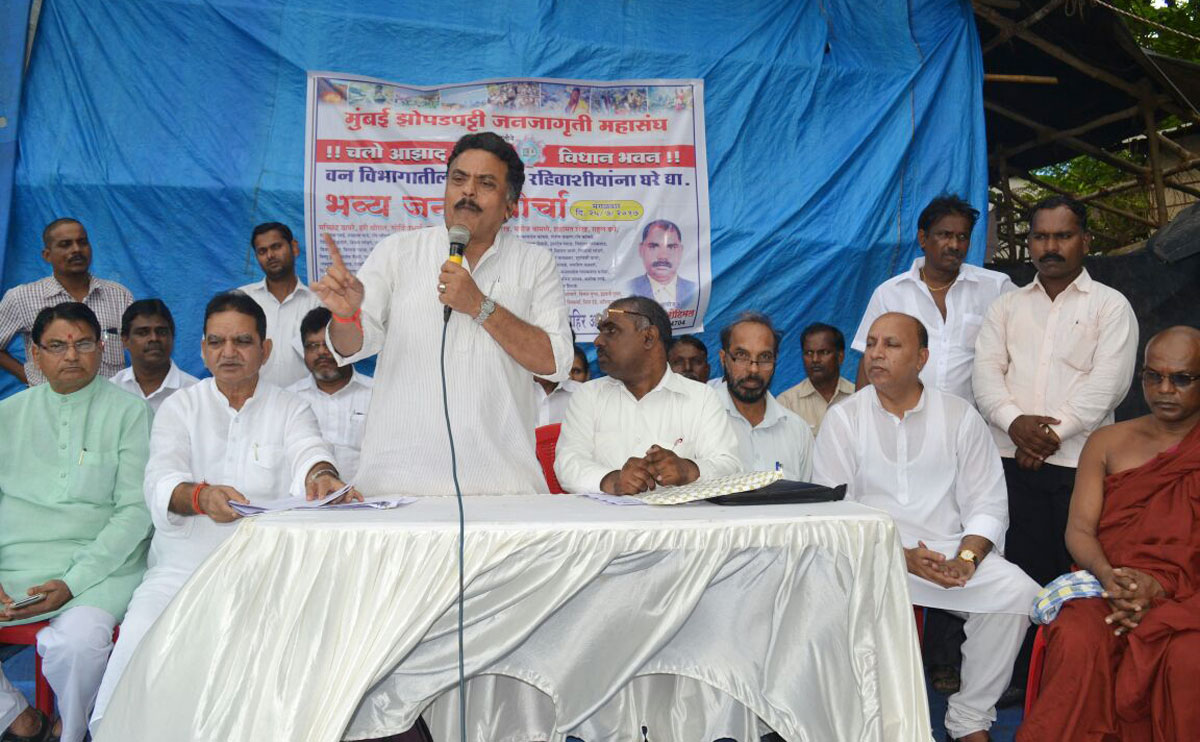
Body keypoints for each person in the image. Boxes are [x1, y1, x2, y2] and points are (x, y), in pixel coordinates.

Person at [90, 292, 355, 730]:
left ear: (265, 350)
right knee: (137, 646)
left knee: (282, 660)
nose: (228, 353)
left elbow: (310, 450)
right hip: (181, 566)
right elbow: (160, 480)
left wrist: (322, 474)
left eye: (242, 342)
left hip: (264, 568)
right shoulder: (180, 407)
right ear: (202, 349)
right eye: (216, 342)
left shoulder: (291, 407)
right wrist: (200, 497)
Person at [813, 313, 1039, 742]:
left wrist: (967, 560)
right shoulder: (844, 418)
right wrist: (899, 558)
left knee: (1018, 593)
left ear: (922, 358)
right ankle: (874, 722)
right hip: (871, 556)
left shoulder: (960, 416)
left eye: (891, 345)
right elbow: (833, 512)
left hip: (948, 552)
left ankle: (969, 718)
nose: (876, 353)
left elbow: (988, 501)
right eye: (873, 343)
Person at [312, 131, 574, 497]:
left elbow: (556, 362)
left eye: (485, 183)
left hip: (502, 488)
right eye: (458, 179)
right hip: (398, 485)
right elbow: (352, 346)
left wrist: (480, 306)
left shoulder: (536, 264)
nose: (468, 192)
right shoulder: (398, 252)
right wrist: (344, 317)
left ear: (511, 205)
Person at [1017, 326, 1200, 742]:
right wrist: (1108, 576)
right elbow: (1079, 530)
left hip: (1191, 598)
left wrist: (1160, 590)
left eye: (1182, 378)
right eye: (1154, 376)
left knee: (1189, 657)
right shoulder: (1107, 441)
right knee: (1078, 636)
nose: (1165, 389)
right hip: (1111, 586)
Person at [0, 303, 151, 742]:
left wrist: (72, 581)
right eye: (57, 345)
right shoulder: (7, 415)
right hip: (16, 568)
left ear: (102, 349)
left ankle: (72, 726)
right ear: (34, 354)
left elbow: (135, 513)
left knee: (77, 645)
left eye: (83, 343)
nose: (71, 355)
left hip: (101, 570)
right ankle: (21, 720)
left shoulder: (131, 413)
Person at [973, 195, 1138, 587]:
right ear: (1029, 243)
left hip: (1080, 465)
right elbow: (985, 374)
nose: (1050, 247)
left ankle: (1068, 649)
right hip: (1008, 463)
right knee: (1014, 578)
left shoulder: (1110, 306)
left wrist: (1049, 436)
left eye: (1062, 235)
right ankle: (1025, 652)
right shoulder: (1005, 306)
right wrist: (1015, 425)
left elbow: (1108, 385)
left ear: (1086, 240)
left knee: (1075, 578)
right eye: (1040, 237)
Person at [554, 297, 740, 495]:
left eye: (611, 330)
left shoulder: (701, 398)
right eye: (600, 331)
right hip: (608, 524)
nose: (598, 341)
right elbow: (568, 463)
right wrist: (613, 481)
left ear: (649, 337)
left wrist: (688, 470)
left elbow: (730, 466)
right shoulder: (588, 396)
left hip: (678, 524)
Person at [851, 195, 1014, 403]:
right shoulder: (890, 293)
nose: (954, 244)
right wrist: (862, 421)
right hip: (901, 422)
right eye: (945, 235)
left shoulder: (995, 287)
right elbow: (868, 362)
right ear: (923, 238)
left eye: (962, 237)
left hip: (967, 425)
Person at [0, 218, 133, 386]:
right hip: (51, 404)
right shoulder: (21, 297)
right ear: (47, 255)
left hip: (107, 403)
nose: (76, 249)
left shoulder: (119, 295)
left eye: (82, 242)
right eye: (65, 244)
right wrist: (30, 377)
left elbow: (136, 344)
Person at [717, 312, 813, 479]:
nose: (753, 369)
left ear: (775, 361)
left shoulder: (797, 430)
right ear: (723, 359)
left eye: (765, 358)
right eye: (742, 356)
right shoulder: (702, 419)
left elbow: (813, 500)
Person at [286, 307, 374, 482]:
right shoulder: (289, 400)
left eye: (328, 343)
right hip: (306, 502)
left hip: (368, 500)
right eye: (312, 346)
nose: (321, 352)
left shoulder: (376, 394)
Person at [238, 222, 322, 388]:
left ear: (294, 247)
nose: (270, 255)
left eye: (276, 247)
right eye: (262, 251)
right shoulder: (241, 301)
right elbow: (213, 353)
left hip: (306, 405)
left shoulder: (319, 303)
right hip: (251, 405)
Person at [110, 299, 199, 413]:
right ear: (125, 340)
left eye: (161, 332)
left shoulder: (194, 392)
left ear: (172, 337)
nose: (154, 338)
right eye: (143, 333)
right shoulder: (113, 389)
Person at [777, 322, 855, 435]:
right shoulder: (787, 403)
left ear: (840, 357)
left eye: (824, 352)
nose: (815, 359)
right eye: (808, 353)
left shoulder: (856, 396)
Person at [625, 219, 697, 311]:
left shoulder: (695, 289)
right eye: (653, 246)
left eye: (671, 247)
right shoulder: (628, 288)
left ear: (681, 251)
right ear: (641, 249)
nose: (663, 256)